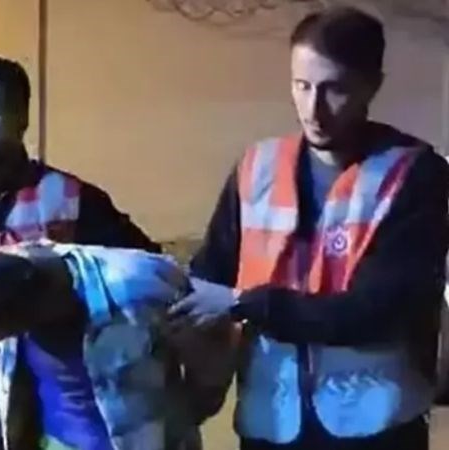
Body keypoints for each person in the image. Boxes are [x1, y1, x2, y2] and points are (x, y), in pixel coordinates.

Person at [167, 7, 449, 450]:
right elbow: (209, 281)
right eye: (302, 85)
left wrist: (246, 303)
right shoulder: (255, 168)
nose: (313, 109)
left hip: (377, 426)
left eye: (334, 89)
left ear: (372, 85)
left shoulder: (414, 175)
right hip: (271, 422)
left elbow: (379, 310)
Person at [0, 55, 160, 450]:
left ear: (20, 120)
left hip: (48, 391)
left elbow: (144, 259)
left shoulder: (71, 196)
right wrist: (19, 262)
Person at [0, 241, 236, 450]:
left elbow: (212, 349)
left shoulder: (140, 288)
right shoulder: (7, 274)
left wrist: (187, 417)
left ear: (35, 306)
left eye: (15, 330)